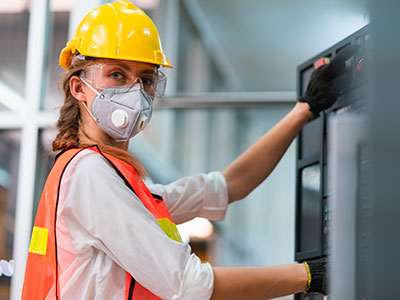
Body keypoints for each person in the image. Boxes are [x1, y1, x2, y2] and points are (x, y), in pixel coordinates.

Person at [21, 1, 353, 299]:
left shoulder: (120, 182)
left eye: (146, 79)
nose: (134, 92)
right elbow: (187, 284)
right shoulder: (90, 173)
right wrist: (310, 275)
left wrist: (304, 110)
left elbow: (227, 186)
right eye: (117, 74)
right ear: (79, 87)